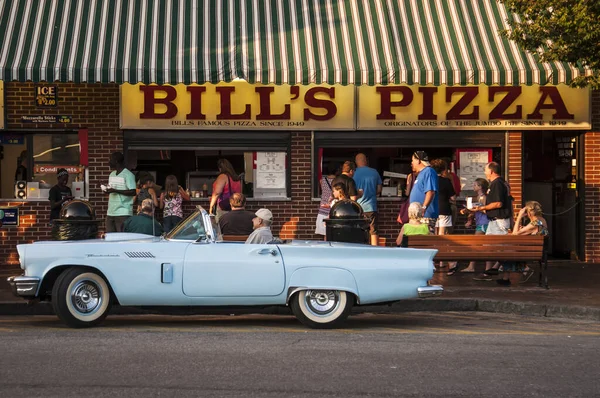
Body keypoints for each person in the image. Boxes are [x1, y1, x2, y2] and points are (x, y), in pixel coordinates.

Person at [471, 162, 512, 281]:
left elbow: (498, 203)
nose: (484, 172)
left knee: (500, 248)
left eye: (486, 170)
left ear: (492, 171)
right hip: (494, 221)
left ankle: (500, 273)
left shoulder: (497, 183)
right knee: (489, 247)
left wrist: (481, 208)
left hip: (499, 221)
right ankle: (491, 271)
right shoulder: (501, 183)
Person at [508, 200, 549, 284]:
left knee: (508, 251)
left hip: (531, 252)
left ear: (529, 213)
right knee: (509, 251)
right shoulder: (542, 220)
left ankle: (502, 272)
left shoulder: (534, 223)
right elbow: (529, 232)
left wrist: (519, 217)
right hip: (539, 251)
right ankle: (498, 268)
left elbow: (514, 235)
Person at [458, 178, 492, 273]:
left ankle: (474, 267)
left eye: (475, 185)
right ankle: (485, 268)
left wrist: (477, 209)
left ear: (480, 187)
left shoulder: (484, 197)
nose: (473, 186)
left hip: (484, 223)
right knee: (482, 246)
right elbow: (475, 211)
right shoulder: (477, 197)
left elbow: (487, 211)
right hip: (480, 223)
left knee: (477, 245)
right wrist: (468, 212)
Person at [431, 159, 457, 273]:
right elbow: (453, 198)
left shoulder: (430, 180)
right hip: (444, 210)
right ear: (443, 169)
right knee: (444, 236)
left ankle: (436, 262)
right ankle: (450, 262)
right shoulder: (446, 181)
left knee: (434, 237)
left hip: (432, 211)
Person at [104, 151, 137, 233]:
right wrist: (107, 190)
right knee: (110, 238)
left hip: (123, 212)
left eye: (110, 160)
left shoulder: (128, 175)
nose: (109, 162)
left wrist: (115, 191)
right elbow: (112, 189)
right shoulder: (111, 174)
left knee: (122, 238)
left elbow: (133, 192)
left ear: (116, 161)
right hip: (111, 211)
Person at [354, 153, 383, 246]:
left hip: (357, 208)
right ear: (365, 161)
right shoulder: (374, 172)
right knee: (373, 231)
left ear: (356, 162)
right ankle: (375, 252)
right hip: (371, 207)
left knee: (359, 231)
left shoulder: (353, 173)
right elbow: (379, 190)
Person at [409, 151, 438, 233]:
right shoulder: (421, 173)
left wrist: (423, 208)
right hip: (418, 216)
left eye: (412, 160)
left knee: (425, 240)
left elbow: (430, 191)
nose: (411, 163)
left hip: (425, 216)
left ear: (418, 160)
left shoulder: (429, 171)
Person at [315, 163, 337, 237]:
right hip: (334, 208)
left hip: (323, 208)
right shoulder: (338, 181)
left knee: (325, 234)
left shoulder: (322, 181)